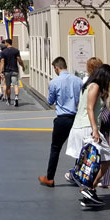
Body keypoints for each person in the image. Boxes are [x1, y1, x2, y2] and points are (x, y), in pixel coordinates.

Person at [65, 62, 110, 206]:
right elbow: (90, 108)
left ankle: (89, 190)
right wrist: (94, 129)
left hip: (82, 126)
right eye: (109, 78)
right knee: (107, 158)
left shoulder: (88, 85)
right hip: (87, 126)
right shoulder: (95, 86)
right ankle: (83, 181)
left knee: (93, 159)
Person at [39, 57, 80, 187]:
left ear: (56, 67)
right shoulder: (78, 81)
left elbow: (50, 101)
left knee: (55, 148)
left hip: (62, 118)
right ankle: (77, 174)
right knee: (79, 148)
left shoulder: (54, 82)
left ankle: (50, 177)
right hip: (76, 117)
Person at [0, 39, 23, 107]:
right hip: (14, 70)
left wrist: (1, 71)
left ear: (7, 43)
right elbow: (19, 60)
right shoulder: (16, 51)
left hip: (7, 71)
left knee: (8, 86)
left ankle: (9, 100)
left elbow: (2, 62)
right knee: (15, 84)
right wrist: (23, 66)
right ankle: (16, 98)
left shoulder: (3, 52)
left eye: (5, 43)